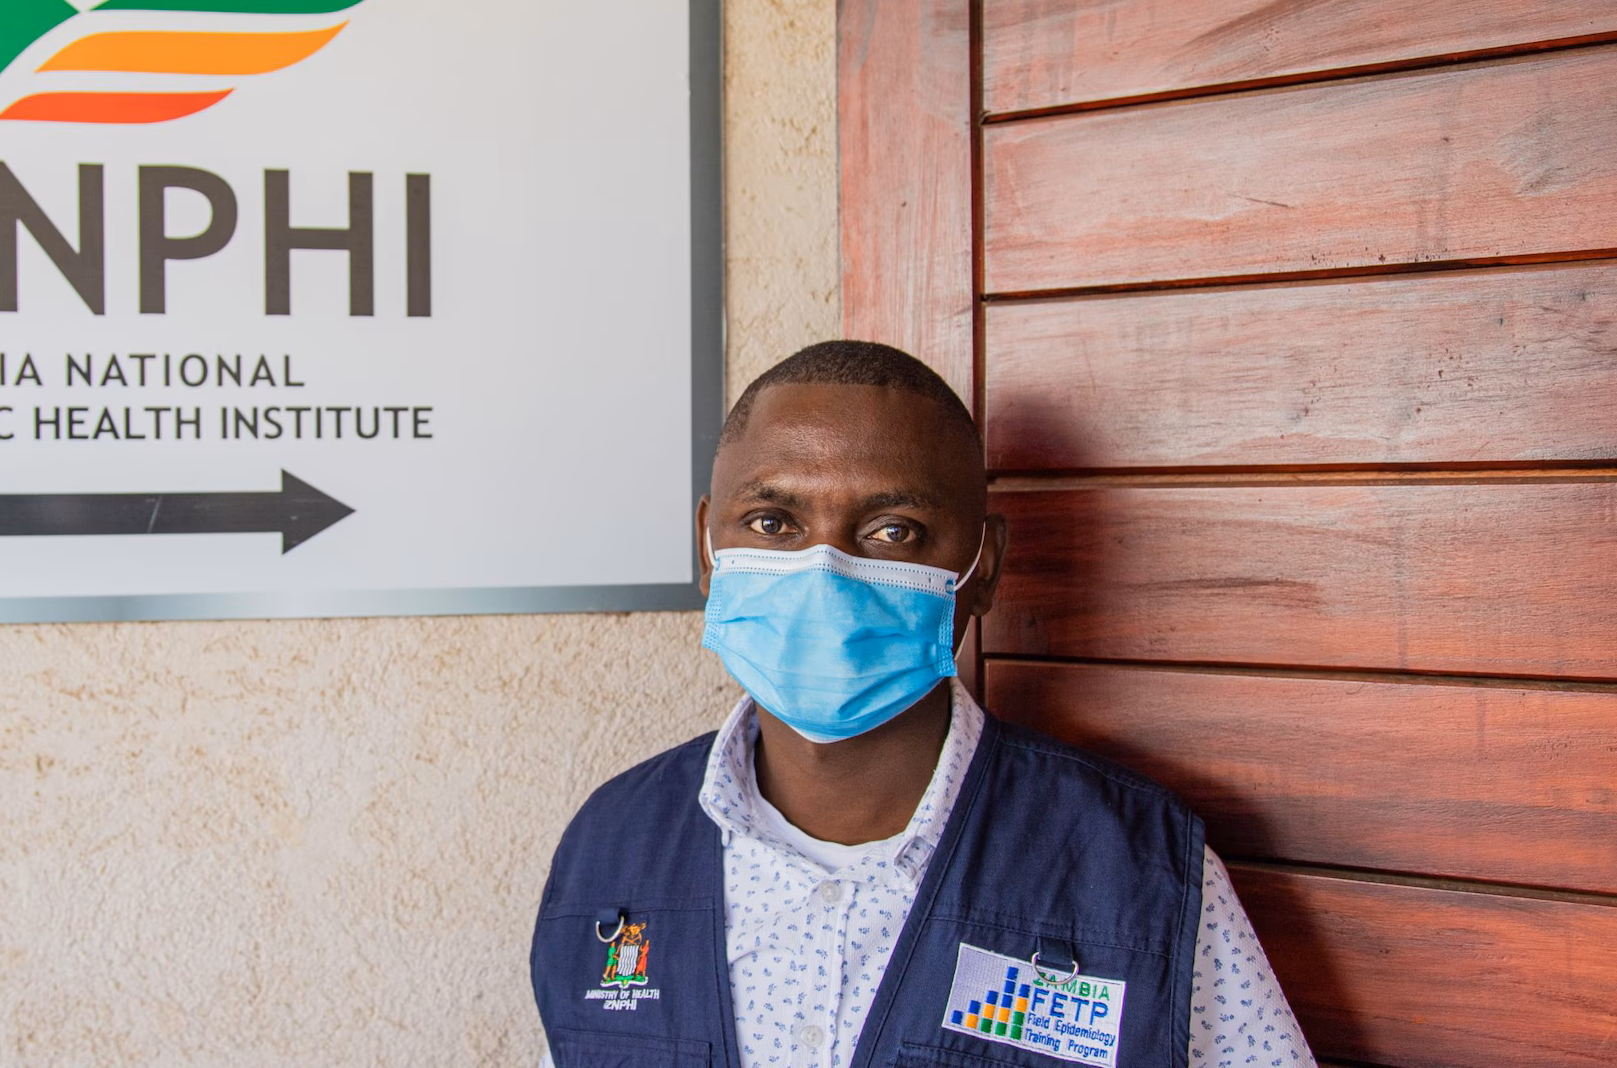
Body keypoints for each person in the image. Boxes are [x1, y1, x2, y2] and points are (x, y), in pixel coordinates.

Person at [531, 341, 1313, 1068]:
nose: (824, 573)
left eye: (893, 531)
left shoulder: (1143, 873)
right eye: (773, 523)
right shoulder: (610, 847)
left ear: (984, 566)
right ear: (710, 547)